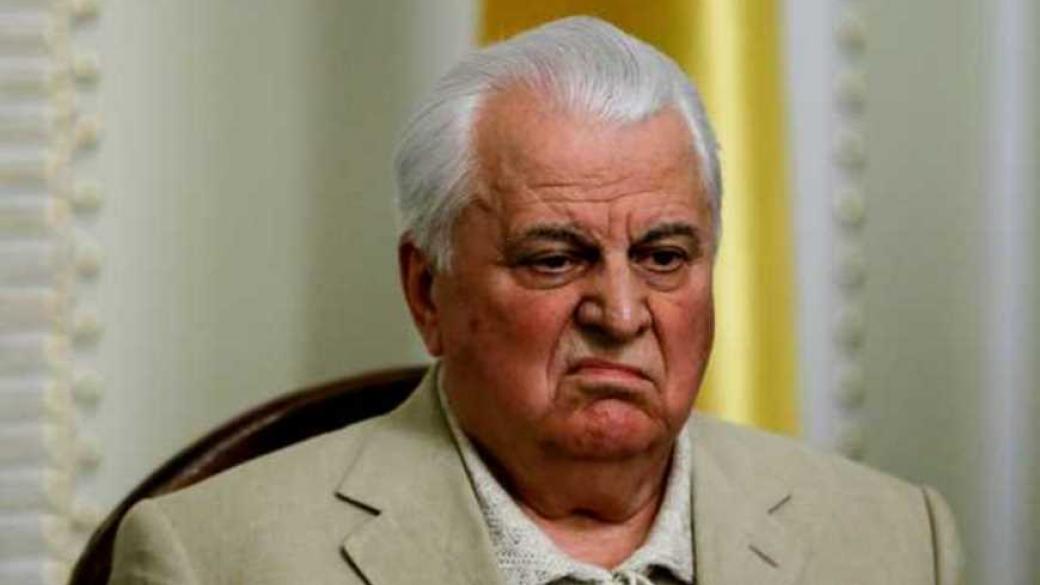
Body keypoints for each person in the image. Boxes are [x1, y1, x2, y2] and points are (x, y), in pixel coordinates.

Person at [108, 16, 962, 585]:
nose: (621, 314)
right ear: (427, 292)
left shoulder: (895, 543)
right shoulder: (213, 560)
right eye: (555, 260)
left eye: (664, 257)